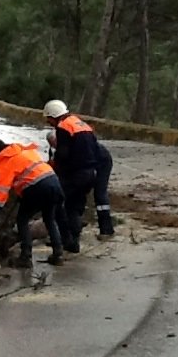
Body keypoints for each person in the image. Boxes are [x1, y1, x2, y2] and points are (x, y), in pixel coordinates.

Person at [0, 139, 65, 267]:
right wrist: (22, 193)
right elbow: (29, 174)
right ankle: (58, 254)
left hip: (37, 188)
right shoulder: (24, 152)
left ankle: (25, 257)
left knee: (22, 220)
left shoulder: (5, 161)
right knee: (49, 219)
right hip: (54, 182)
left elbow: (0, 190)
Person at [42, 99, 104, 252]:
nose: (49, 122)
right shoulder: (82, 124)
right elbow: (95, 149)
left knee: (56, 204)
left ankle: (62, 239)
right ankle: (73, 242)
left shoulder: (63, 127)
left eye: (49, 118)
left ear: (54, 116)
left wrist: (54, 167)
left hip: (74, 175)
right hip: (90, 174)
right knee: (75, 207)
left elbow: (63, 153)